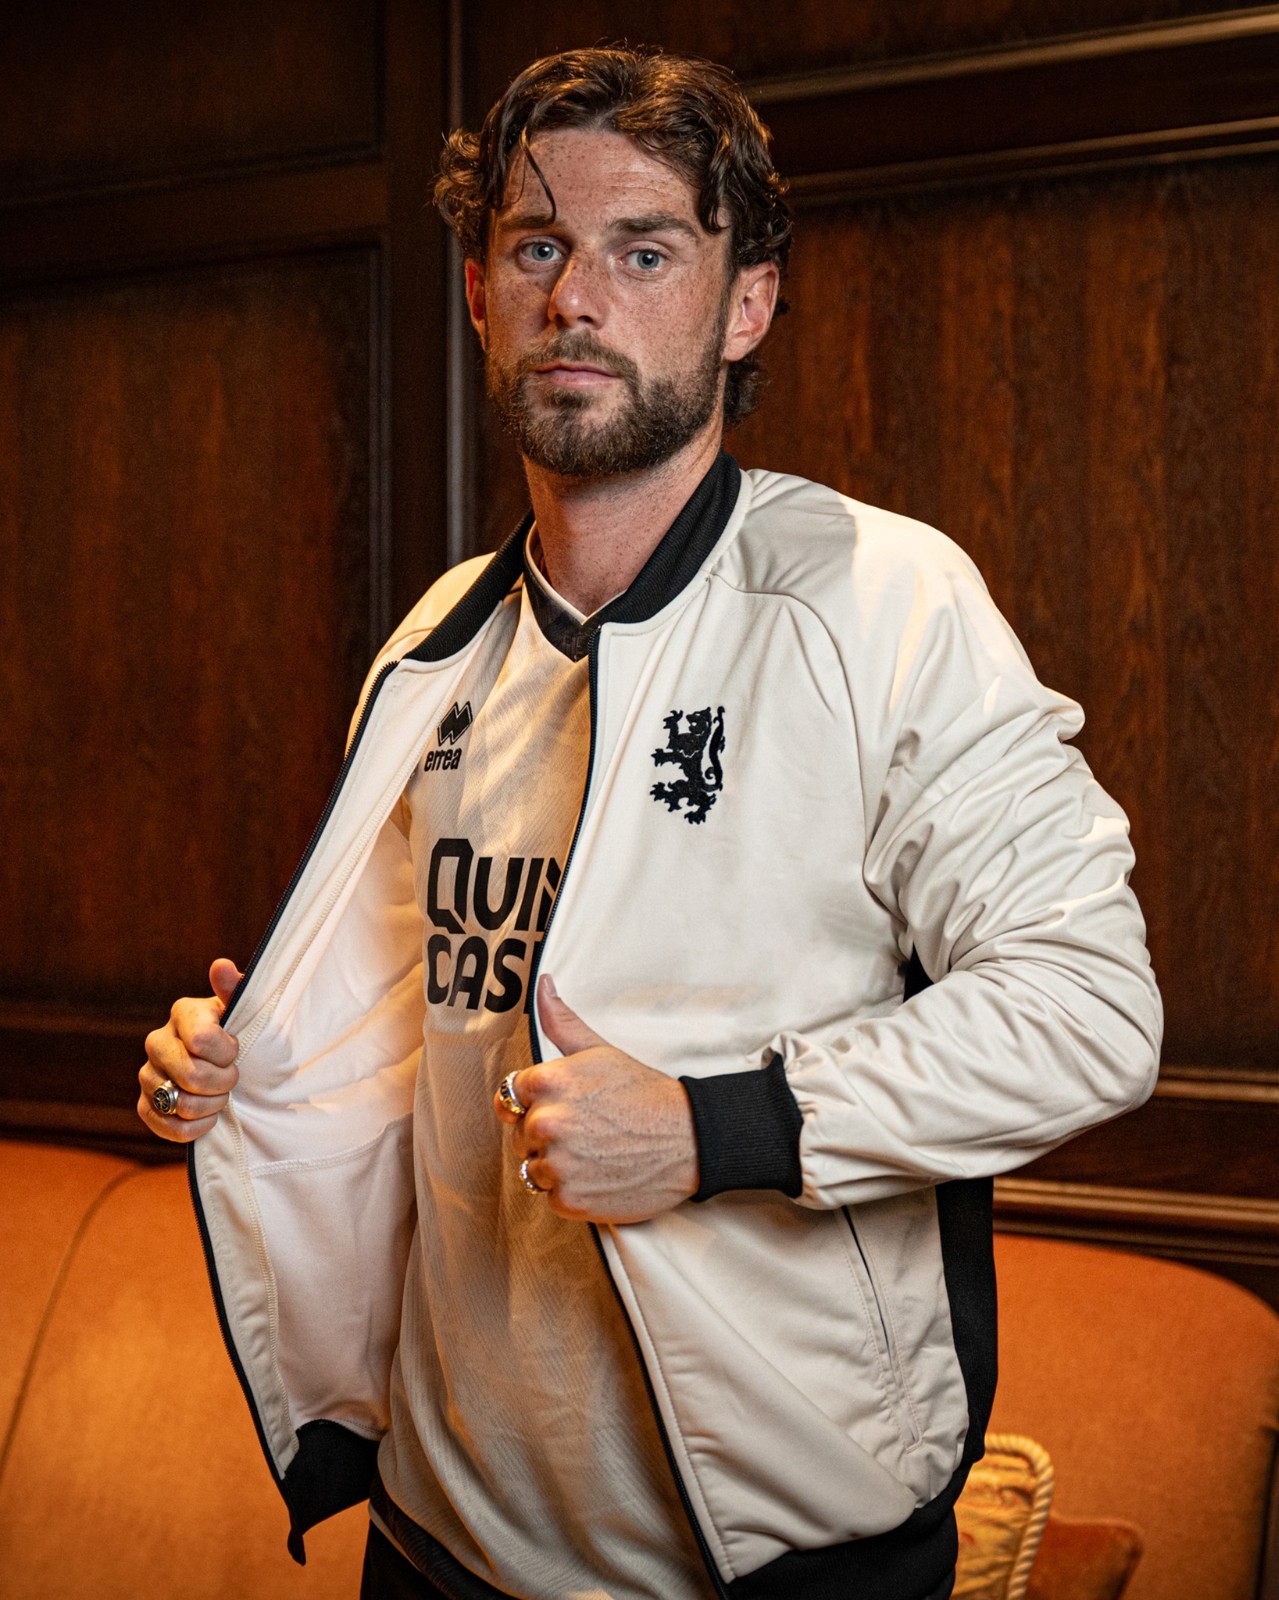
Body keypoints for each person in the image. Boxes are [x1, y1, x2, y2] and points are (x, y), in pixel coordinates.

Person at [138, 46, 1162, 1600]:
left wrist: (711, 1129)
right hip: (435, 1545)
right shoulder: (431, 649)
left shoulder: (882, 602)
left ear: (746, 303)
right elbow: (411, 1029)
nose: (576, 298)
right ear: (479, 294)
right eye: (537, 248)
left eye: (645, 252)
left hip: (777, 1567)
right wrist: (238, 1071)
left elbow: (1090, 1012)